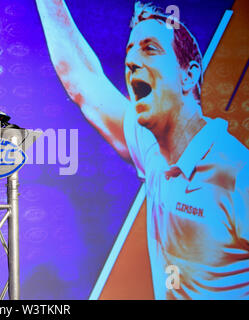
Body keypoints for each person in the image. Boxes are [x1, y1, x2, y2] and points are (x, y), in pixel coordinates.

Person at [36, 0, 249, 299]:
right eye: (129, 51)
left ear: (189, 75)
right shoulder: (152, 148)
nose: (132, 60)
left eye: (150, 48)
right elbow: (82, 79)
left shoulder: (237, 175)